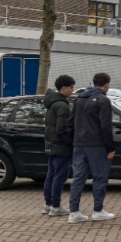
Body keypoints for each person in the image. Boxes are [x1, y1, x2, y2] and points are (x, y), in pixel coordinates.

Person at [67, 73, 116, 223]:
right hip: (97, 145)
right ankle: (98, 210)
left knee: (78, 178)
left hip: (79, 143)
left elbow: (71, 122)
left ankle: (74, 212)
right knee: (99, 177)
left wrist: (73, 141)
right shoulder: (103, 100)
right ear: (106, 84)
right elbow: (105, 126)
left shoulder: (79, 99)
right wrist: (111, 147)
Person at [42, 74, 75, 217]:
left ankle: (48, 205)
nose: (72, 91)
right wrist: (70, 143)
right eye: (71, 87)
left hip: (51, 144)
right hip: (61, 146)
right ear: (64, 88)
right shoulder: (62, 105)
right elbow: (62, 128)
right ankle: (56, 206)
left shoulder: (52, 104)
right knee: (59, 177)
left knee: (51, 175)